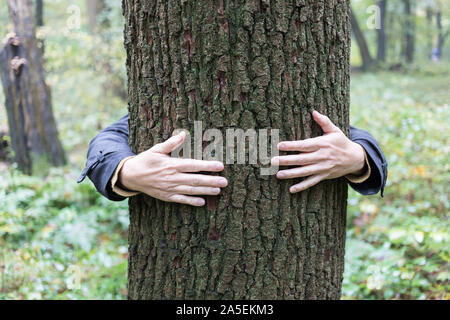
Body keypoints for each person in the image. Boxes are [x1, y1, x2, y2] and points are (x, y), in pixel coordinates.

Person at [78, 111, 387, 206]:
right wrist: (126, 170)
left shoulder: (307, 112)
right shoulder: (156, 107)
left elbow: (355, 138)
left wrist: (358, 157)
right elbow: (106, 141)